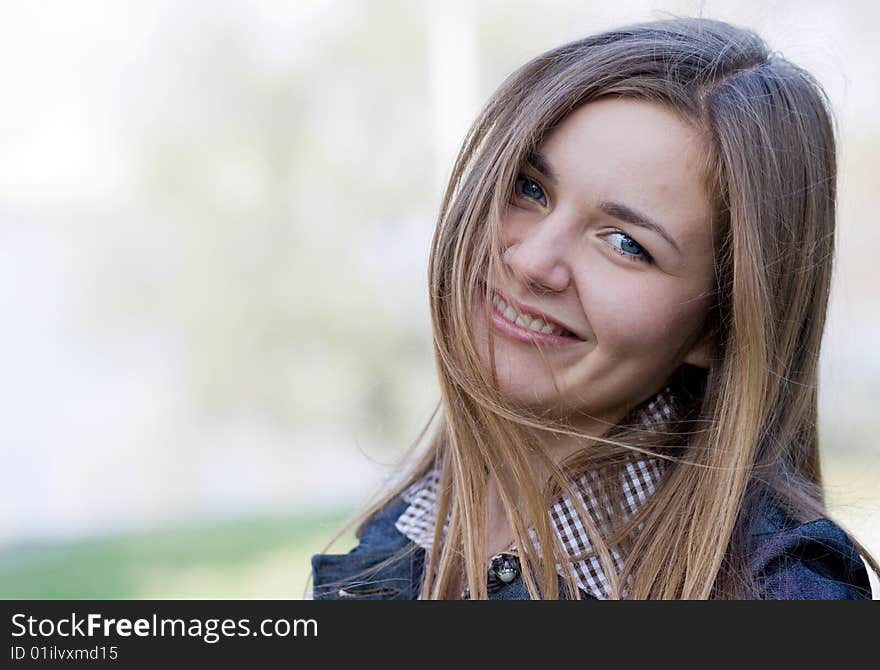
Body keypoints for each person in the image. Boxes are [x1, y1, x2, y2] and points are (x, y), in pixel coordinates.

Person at [308, 16, 877, 600]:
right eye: (529, 188)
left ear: (719, 326)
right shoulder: (405, 529)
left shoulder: (780, 592)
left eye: (627, 243)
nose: (532, 262)